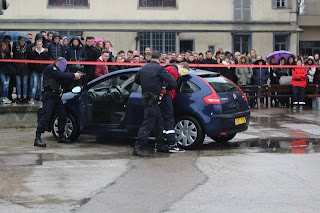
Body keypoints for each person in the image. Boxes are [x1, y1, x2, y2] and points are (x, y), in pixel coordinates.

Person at [133, 51, 177, 157]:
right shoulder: (160, 69)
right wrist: (164, 88)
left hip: (146, 97)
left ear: (151, 57)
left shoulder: (143, 68)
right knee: (148, 124)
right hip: (154, 98)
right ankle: (138, 148)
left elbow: (137, 80)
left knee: (159, 122)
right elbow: (173, 83)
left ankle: (160, 144)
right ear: (160, 58)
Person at [34, 57, 82, 147]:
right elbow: (60, 76)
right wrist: (73, 75)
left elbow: (64, 79)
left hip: (57, 96)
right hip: (49, 97)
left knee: (62, 115)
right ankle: (38, 137)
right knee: (45, 116)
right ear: (58, 63)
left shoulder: (60, 71)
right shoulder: (51, 69)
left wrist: (74, 77)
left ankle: (61, 136)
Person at [158, 63, 187, 153]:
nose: (182, 74)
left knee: (162, 120)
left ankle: (161, 143)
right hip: (166, 96)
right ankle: (171, 144)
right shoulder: (173, 70)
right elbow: (170, 82)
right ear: (181, 66)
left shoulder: (168, 68)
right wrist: (165, 91)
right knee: (169, 119)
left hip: (164, 96)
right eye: (183, 71)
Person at [12, 36, 29, 103]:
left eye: (24, 40)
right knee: (18, 83)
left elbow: (29, 56)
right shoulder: (15, 48)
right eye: (21, 40)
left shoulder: (27, 48)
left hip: (25, 68)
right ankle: (18, 97)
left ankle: (24, 97)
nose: (22, 42)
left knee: (25, 83)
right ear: (19, 41)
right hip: (17, 68)